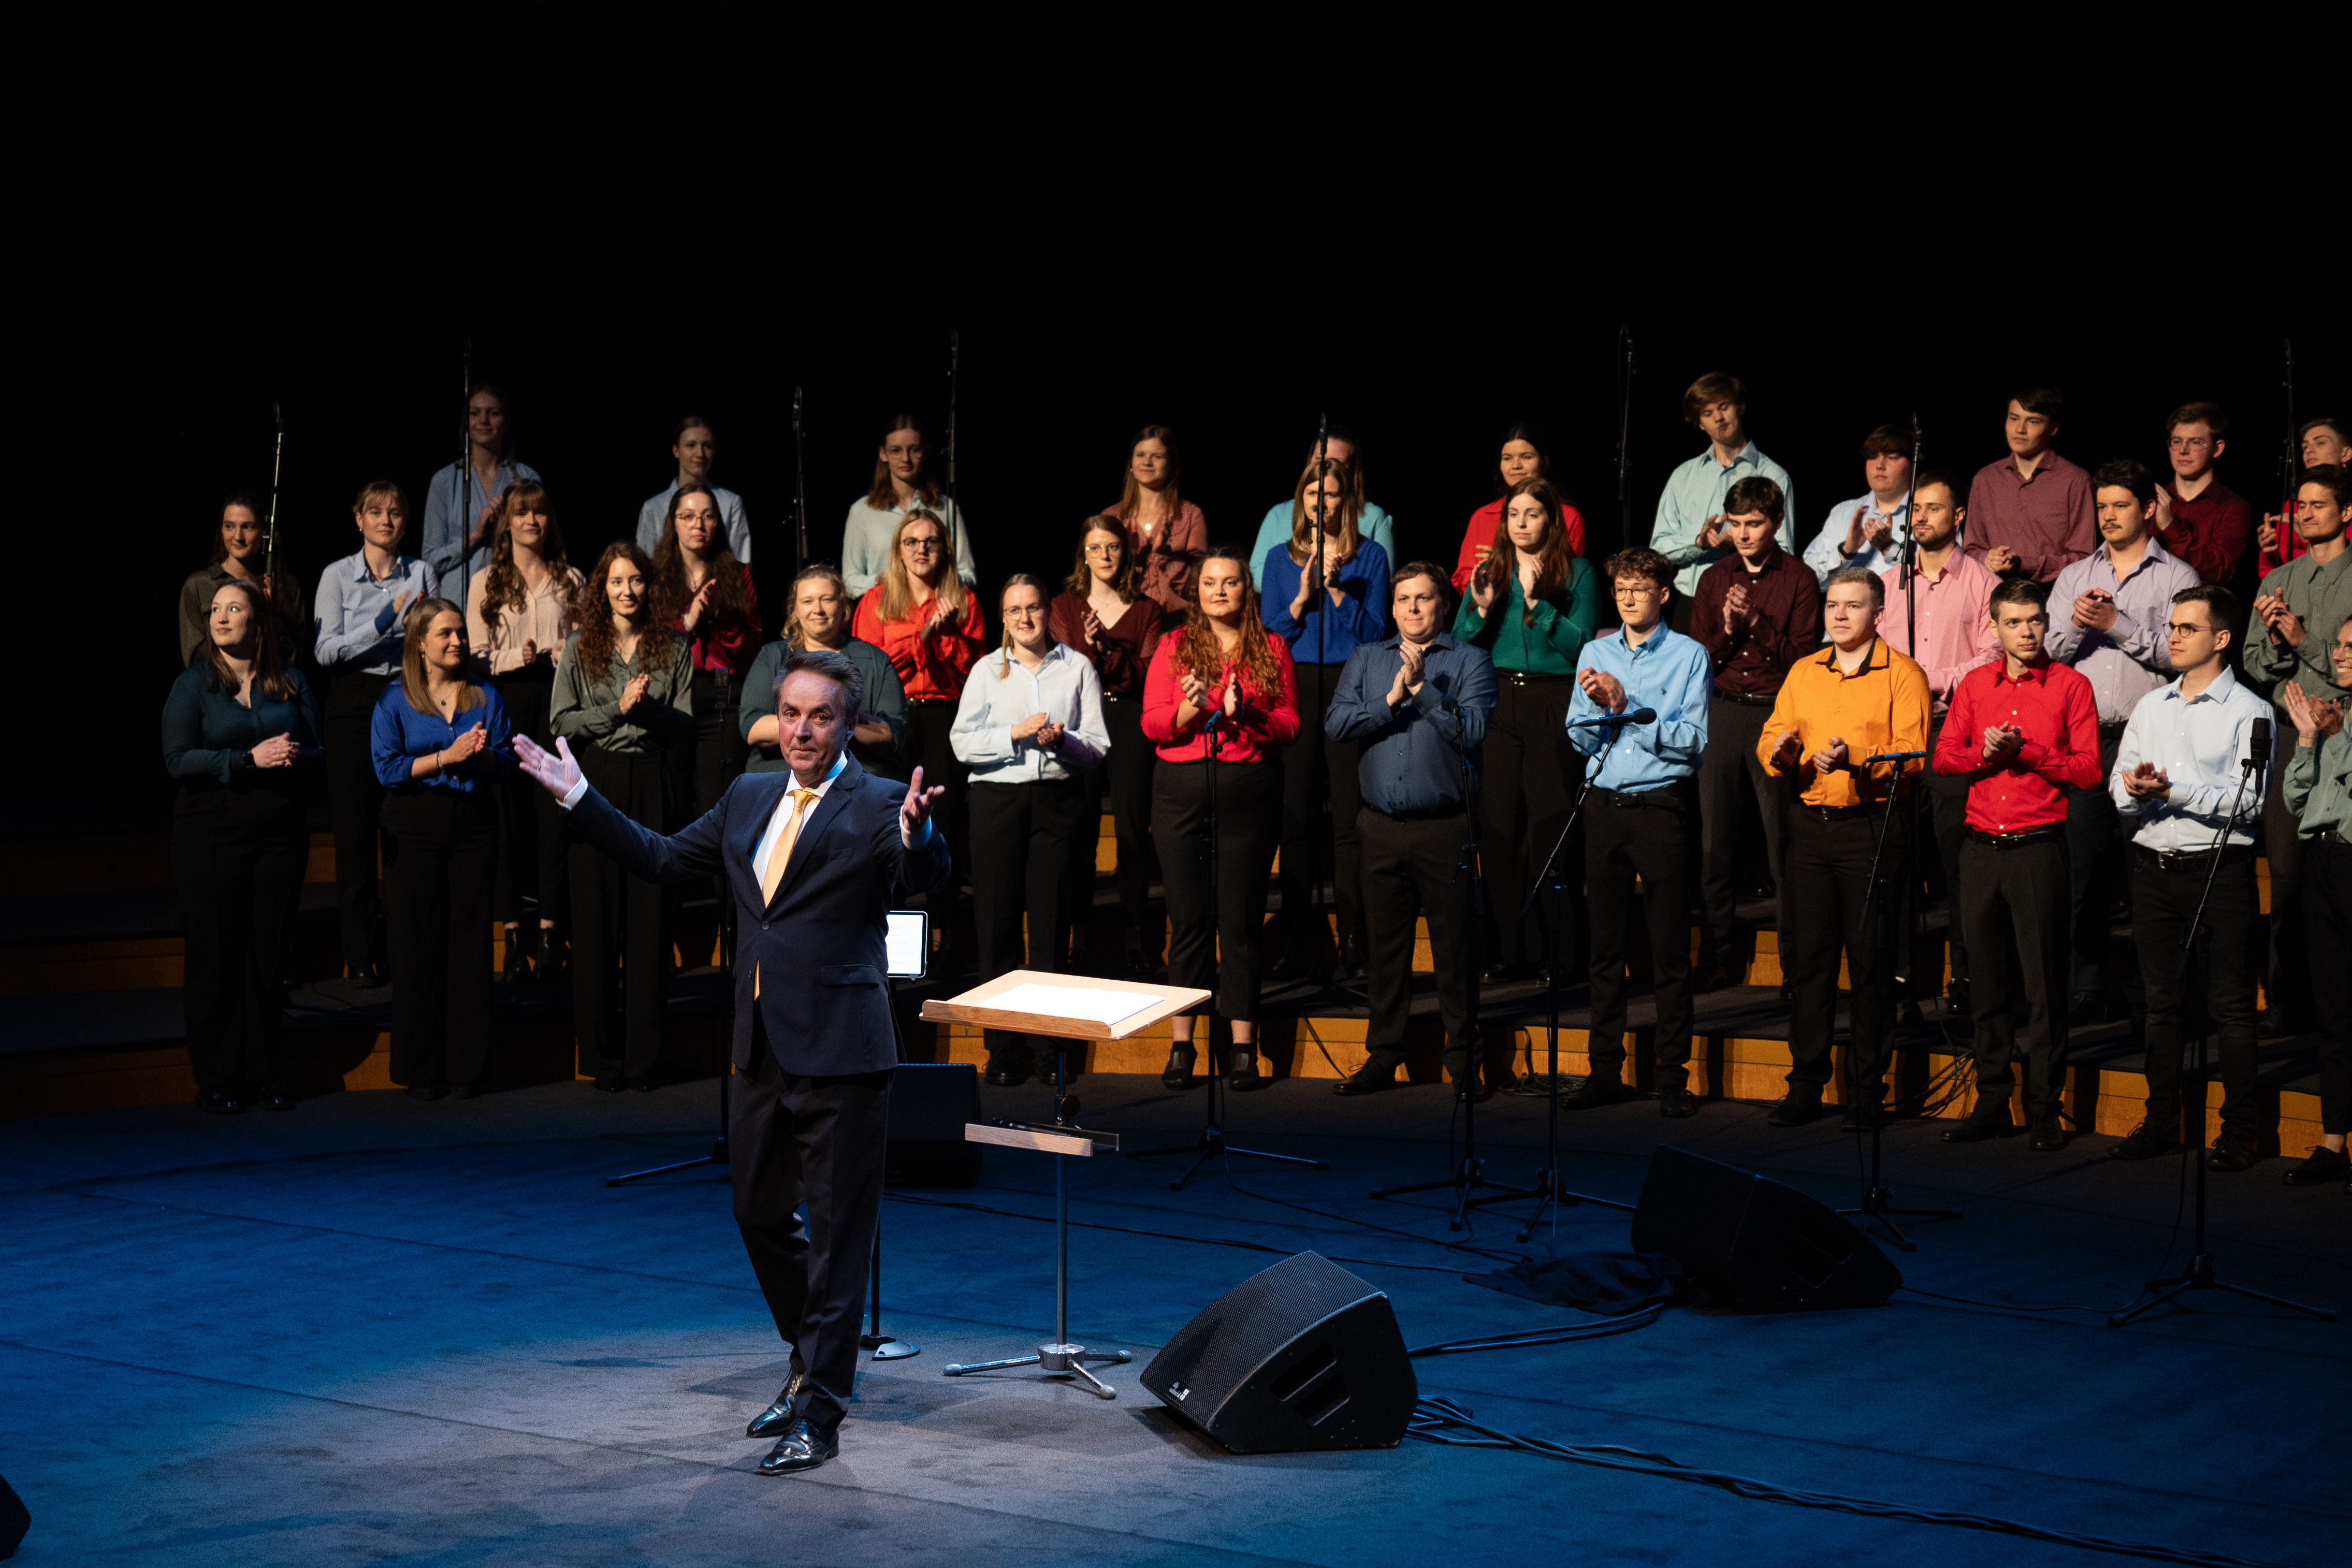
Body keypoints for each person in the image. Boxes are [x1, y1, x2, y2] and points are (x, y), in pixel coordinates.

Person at [513, 647, 952, 1476]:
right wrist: (576, 795)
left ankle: (820, 1407)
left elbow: (920, 873)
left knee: (839, 1240)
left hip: (844, 1054)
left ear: (846, 723)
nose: (801, 729)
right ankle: (808, 1355)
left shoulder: (882, 803)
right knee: (756, 1214)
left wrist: (921, 834)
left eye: (820, 716)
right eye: (790, 713)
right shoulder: (749, 794)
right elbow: (659, 858)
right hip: (759, 1046)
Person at [1756, 568, 1932, 1129]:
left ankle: (1865, 1091)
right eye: (1833, 604)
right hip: (1810, 825)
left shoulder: (1902, 673)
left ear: (1878, 613)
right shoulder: (1806, 670)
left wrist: (1855, 754)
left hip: (1871, 828)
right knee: (1809, 965)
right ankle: (1805, 1084)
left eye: (1852, 606)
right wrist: (1783, 751)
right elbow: (1773, 734)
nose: (1838, 614)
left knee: (1870, 966)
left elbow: (1914, 752)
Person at [2105, 586, 2273, 1170]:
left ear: (2221, 639)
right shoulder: (2153, 707)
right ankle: (2161, 1120)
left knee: (2228, 1004)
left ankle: (2240, 1130)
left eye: (2186, 628)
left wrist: (2173, 790)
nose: (2172, 636)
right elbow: (2118, 789)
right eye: (2172, 626)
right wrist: (2136, 790)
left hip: (2218, 870)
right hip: (2154, 869)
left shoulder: (2251, 711)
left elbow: (2248, 804)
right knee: (2162, 1003)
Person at [1933, 579, 2101, 1152]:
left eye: (2034, 621)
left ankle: (2044, 1105)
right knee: (1986, 981)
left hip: (2037, 848)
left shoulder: (2071, 686)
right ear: (1996, 627)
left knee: (2044, 983)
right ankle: (1991, 1096)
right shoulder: (1976, 684)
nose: (2027, 632)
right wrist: (1984, 753)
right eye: (2014, 623)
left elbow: (2087, 772)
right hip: (1981, 847)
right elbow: (1943, 757)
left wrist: (2026, 750)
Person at [1325, 563, 1496, 1097]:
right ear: (1393, 606)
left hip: (1444, 829)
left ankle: (1465, 1061)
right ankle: (1384, 1057)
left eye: (1425, 599)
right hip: (1378, 828)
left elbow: (1473, 730)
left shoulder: (1471, 660)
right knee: (1385, 951)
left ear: (1444, 605)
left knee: (1455, 953)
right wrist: (1392, 700)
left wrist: (1423, 692)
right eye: (1404, 599)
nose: (1414, 609)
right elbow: (1336, 724)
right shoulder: (1367, 658)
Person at [2044, 459, 2200, 1024]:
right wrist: (2080, 623)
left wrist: (2117, 623)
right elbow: (2052, 651)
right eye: (2102, 506)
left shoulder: (2178, 577)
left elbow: (2179, 655)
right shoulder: (2071, 577)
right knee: (2081, 870)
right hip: (2084, 742)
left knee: (2149, 870)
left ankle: (2155, 988)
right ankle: (2086, 986)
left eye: (2120, 505)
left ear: (2148, 510)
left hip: (2149, 741)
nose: (2108, 516)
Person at [1142, 548, 1301, 1090]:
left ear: (1246, 590)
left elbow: (1291, 726)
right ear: (1197, 592)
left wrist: (1245, 713)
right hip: (1181, 788)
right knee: (1188, 920)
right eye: (1210, 582)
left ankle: (1242, 1050)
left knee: (1239, 922)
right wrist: (1193, 710)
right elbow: (1151, 723)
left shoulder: (1272, 647)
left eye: (1230, 582)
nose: (1219, 591)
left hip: (1247, 788)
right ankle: (1182, 1045)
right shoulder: (1173, 645)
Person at [1561, 547, 1712, 1117]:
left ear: (1663, 594)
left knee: (1669, 950)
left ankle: (1672, 1077)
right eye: (1621, 588)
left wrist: (1626, 705)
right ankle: (1605, 1072)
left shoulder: (1689, 655)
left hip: (1660, 808)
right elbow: (1579, 734)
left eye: (1639, 589)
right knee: (1605, 949)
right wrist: (1598, 713)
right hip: (1604, 805)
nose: (1627, 597)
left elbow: (1691, 741)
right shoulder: (1596, 651)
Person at [162, 577, 321, 1115]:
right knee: (216, 955)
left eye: (236, 608)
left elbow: (321, 753)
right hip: (211, 834)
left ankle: (265, 1072)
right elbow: (178, 760)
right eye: (216, 610)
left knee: (267, 956)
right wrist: (249, 760)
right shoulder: (193, 686)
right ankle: (216, 1076)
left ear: (260, 621)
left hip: (277, 834)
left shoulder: (292, 682)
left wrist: (296, 755)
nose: (222, 617)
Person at [951, 575, 1110, 1085]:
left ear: (1048, 612)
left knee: (1049, 930)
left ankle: (1049, 1048)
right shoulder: (985, 671)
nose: (1025, 618)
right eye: (1014, 610)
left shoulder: (1078, 666)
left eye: (1034, 608)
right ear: (1003, 618)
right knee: (996, 926)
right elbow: (961, 744)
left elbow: (1098, 746)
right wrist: (1013, 734)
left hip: (1057, 801)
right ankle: (1002, 1047)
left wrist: (1063, 742)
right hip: (997, 800)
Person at [550, 542, 694, 1091]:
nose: (627, 591)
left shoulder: (674, 647)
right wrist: (618, 709)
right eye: (616, 582)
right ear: (600, 589)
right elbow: (560, 721)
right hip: (597, 779)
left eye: (636, 581)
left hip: (652, 778)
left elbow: (684, 724)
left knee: (649, 923)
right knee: (595, 920)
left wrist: (647, 709)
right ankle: (603, 1061)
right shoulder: (579, 648)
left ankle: (643, 1061)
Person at [1451, 477, 1600, 980]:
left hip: (1552, 700)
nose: (1519, 522)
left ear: (1550, 520)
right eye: (1513, 513)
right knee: (1497, 828)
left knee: (1549, 826)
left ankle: (1555, 951)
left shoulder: (1577, 572)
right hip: (1497, 697)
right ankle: (1505, 949)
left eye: (1532, 513)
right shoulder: (1490, 571)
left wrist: (1539, 604)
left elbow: (1582, 647)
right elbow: (1458, 642)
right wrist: (1481, 608)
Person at [371, 598, 516, 1100]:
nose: (458, 641)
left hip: (473, 826)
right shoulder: (396, 700)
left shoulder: (485, 695)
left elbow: (506, 759)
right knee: (416, 946)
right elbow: (386, 769)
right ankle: (421, 1068)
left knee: (469, 947)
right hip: (414, 826)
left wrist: (480, 758)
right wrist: (445, 757)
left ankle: (465, 1069)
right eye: (446, 634)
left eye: (460, 633)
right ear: (420, 643)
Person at [1690, 475, 1823, 991]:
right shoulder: (1713, 577)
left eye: (1754, 524)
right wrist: (1728, 629)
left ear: (1776, 523)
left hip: (1776, 711)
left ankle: (1794, 963)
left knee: (1782, 843)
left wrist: (1756, 626)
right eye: (1737, 524)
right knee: (1715, 841)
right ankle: (1717, 955)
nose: (1743, 534)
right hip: (1722, 710)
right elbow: (1700, 660)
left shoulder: (1799, 579)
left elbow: (1804, 660)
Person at [1262, 459, 1390, 978]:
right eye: (1313, 493)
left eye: (1332, 495)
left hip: (1349, 681)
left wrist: (1338, 591)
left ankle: (1353, 937)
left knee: (1346, 815)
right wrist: (1302, 596)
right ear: (1301, 500)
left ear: (1346, 501)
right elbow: (1271, 633)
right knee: (1295, 813)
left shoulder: (1371, 556)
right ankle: (1297, 932)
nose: (1322, 503)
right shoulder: (1278, 558)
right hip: (1296, 681)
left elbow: (1377, 632)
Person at [1877, 471, 2000, 1013]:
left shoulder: (1980, 582)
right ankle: (1901, 978)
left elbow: (1993, 655)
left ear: (1958, 518)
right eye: (1915, 508)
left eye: (1932, 507)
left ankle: (1967, 979)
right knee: (1897, 859)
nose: (1920, 516)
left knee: (1955, 863)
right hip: (1896, 734)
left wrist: (1931, 679)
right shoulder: (1887, 580)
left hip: (1952, 730)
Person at [314, 481, 440, 988]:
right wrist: (383, 624)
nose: (386, 520)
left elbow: (430, 638)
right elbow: (324, 651)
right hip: (351, 702)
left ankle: (403, 946)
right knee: (355, 833)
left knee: (404, 829)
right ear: (359, 519)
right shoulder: (337, 575)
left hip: (404, 700)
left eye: (395, 513)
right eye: (375, 512)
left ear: (405, 523)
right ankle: (361, 955)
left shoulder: (422, 572)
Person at [853, 510, 989, 966]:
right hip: (890, 714)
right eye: (912, 541)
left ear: (945, 549)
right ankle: (886, 934)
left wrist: (946, 638)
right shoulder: (876, 599)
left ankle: (946, 929)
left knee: (942, 819)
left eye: (931, 541)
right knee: (885, 816)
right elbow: (872, 664)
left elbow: (978, 672)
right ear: (898, 549)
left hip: (944, 712)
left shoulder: (962, 600)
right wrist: (922, 639)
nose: (922, 549)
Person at [2246, 463, 2351, 1041]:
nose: (2307, 514)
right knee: (2286, 870)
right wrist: (2286, 644)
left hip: (2348, 734)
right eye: (2301, 506)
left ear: (2346, 511)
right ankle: (2287, 999)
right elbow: (2257, 661)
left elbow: (2345, 672)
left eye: (2318, 505)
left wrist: (2301, 641)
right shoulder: (2278, 578)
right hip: (2295, 733)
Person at [466, 480, 583, 983]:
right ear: (506, 522)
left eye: (538, 513)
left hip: (555, 704)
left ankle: (552, 936)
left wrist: (565, 651)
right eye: (522, 513)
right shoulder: (484, 581)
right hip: (505, 703)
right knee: (509, 824)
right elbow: (472, 651)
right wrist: (520, 655)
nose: (531, 521)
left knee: (554, 822)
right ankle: (514, 938)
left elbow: (584, 645)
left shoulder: (570, 578)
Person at [1048, 518, 1165, 974]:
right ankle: (1080, 933)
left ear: (1127, 553)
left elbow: (1149, 672)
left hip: (1130, 717)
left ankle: (1134, 935)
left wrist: (1108, 649)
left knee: (1134, 831)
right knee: (1080, 827)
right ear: (1084, 553)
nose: (1105, 556)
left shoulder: (1147, 608)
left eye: (1114, 547)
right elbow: (1061, 670)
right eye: (1096, 547)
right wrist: (1094, 647)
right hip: (1082, 719)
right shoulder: (1064, 605)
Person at [654, 482, 762, 970]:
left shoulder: (737, 575)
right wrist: (688, 621)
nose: (699, 524)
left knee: (725, 811)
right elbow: (651, 643)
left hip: (723, 696)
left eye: (707, 516)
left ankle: (735, 927)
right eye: (688, 516)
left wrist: (721, 619)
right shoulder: (657, 576)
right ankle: (664, 930)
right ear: (672, 522)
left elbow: (754, 642)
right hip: (675, 699)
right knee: (674, 810)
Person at [2278, 619, 2352, 1189]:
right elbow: (2297, 798)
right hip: (2326, 863)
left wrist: (2338, 732)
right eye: (2341, 645)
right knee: (2333, 1008)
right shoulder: (2331, 719)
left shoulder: (2342, 721)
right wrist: (2307, 740)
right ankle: (2333, 1140)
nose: (2341, 654)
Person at [1648, 372, 1797, 623]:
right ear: (1698, 423)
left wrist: (1739, 543)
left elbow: (1786, 554)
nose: (1718, 418)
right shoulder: (1683, 476)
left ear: (1739, 407)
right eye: (1707, 413)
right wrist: (1699, 541)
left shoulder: (1773, 475)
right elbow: (1659, 548)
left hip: (1750, 602)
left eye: (1723, 407)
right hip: (1690, 602)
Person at [745, 565, 906, 780]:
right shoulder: (773, 656)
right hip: (779, 776)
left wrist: (839, 718)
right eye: (808, 601)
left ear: (843, 607)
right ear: (795, 610)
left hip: (856, 780)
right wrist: (824, 721)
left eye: (827, 600)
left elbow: (893, 733)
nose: (818, 610)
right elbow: (753, 728)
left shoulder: (874, 659)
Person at [1965, 387, 2094, 585]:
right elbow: (1971, 550)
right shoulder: (1986, 479)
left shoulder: (2075, 480)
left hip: (2054, 598)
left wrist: (2027, 564)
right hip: (1995, 597)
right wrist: (1987, 558)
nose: (2020, 429)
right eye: (2014, 418)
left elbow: (2084, 558)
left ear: (2054, 428)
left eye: (2033, 422)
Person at [841, 416, 978, 600]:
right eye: (896, 451)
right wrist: (880, 579)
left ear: (926, 452)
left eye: (914, 450)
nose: (905, 459)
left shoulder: (945, 507)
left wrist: (938, 579)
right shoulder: (862, 511)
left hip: (935, 613)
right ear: (883, 454)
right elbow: (849, 583)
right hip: (883, 612)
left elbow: (968, 575)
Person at [1248, 426, 1398, 591]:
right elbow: (1255, 575)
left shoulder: (1374, 517)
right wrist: (1306, 581)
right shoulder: (1278, 514)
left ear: (1353, 470)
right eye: (1320, 460)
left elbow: (1384, 581)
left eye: (1337, 463)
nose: (1326, 468)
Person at [422, 383, 540, 585]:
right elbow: (430, 561)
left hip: (513, 592)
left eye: (493, 413)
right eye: (475, 413)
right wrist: (475, 536)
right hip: (460, 603)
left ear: (507, 421)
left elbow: (543, 546)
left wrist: (509, 523)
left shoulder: (526, 478)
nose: (483, 421)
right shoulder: (444, 481)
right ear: (466, 422)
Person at [178, 492, 310, 671]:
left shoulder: (284, 585)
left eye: (248, 527)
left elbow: (294, 658)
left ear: (264, 532)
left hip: (270, 690)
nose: (238, 536)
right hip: (217, 690)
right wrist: (241, 674)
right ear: (221, 530)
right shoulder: (199, 585)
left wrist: (271, 614)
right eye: (229, 526)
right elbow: (194, 656)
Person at [1450, 422, 1588, 590]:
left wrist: (1508, 562)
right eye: (1507, 458)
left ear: (1545, 463)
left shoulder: (1567, 516)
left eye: (1527, 457)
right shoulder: (1484, 516)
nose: (1516, 465)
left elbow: (1571, 579)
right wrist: (1489, 578)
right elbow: (1463, 577)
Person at [2150, 402, 2254, 589]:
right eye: (2177, 441)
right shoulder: (2151, 501)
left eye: (2195, 442)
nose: (2183, 450)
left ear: (2217, 448)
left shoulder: (2234, 507)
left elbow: (2221, 571)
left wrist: (2170, 528)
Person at [1105, 425, 1207, 615]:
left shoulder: (1191, 515)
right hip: (1123, 619)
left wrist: (1163, 557)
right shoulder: (1111, 517)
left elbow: (1199, 586)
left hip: (1176, 623)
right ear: (1131, 463)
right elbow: (1099, 582)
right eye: (1141, 455)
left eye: (1157, 456)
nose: (1147, 462)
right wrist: (1128, 558)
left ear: (1171, 465)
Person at [1800, 425, 1914, 583]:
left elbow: (1936, 576)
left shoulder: (1925, 513)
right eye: (1873, 457)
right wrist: (1846, 551)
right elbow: (1808, 579)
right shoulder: (1843, 512)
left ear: (1913, 464)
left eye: (1892, 457)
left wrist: (1889, 548)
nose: (1880, 465)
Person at [634, 415, 753, 562]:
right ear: (676, 451)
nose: (700, 454)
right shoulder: (654, 508)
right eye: (691, 445)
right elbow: (643, 565)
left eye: (707, 446)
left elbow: (741, 563)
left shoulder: (731, 503)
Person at [2257, 416, 2350, 577]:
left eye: (2320, 443)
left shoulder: (2347, 500)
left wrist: (2310, 542)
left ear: (2346, 454)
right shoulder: (2292, 505)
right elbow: (2270, 575)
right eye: (2305, 446)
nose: (2309, 450)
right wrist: (2271, 554)